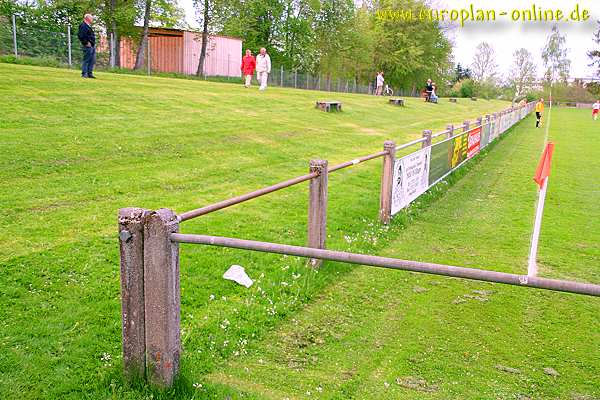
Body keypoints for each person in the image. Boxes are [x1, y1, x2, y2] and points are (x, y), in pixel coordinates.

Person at [78, 14, 96, 79]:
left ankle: (89, 73)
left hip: (92, 45)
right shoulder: (83, 26)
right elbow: (81, 35)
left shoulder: (88, 26)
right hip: (88, 46)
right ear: (87, 18)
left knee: (92, 60)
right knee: (86, 60)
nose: (92, 20)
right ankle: (84, 73)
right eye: (91, 18)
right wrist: (86, 43)